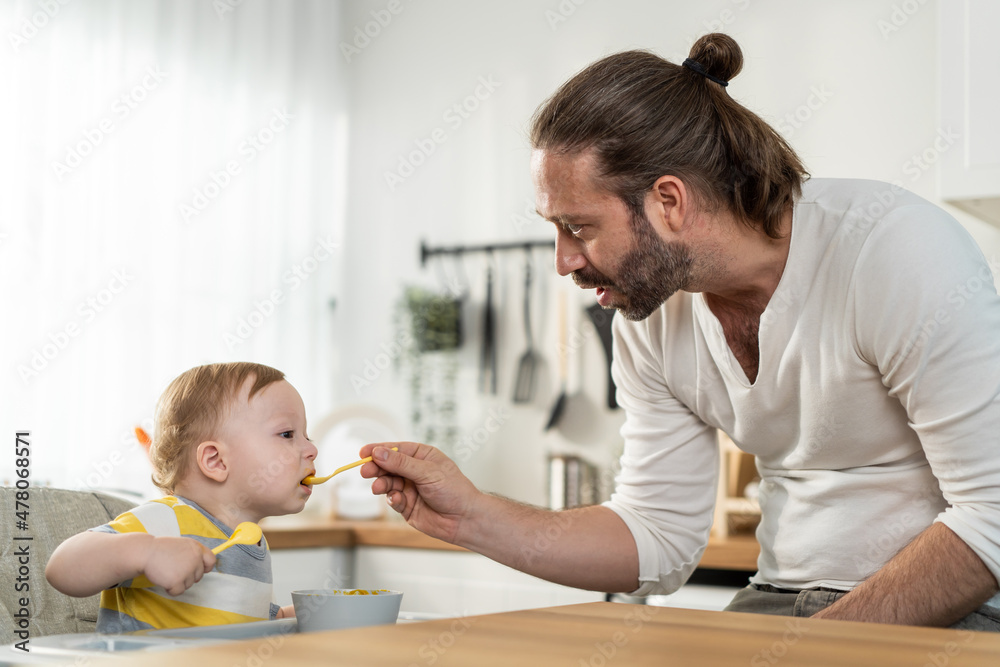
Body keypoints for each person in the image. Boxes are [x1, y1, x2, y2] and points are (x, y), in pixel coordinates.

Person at [359, 33, 1000, 630]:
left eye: (578, 227)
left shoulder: (892, 250)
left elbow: (992, 518)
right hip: (777, 601)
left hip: (949, 609)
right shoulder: (651, 310)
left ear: (669, 201)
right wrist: (471, 517)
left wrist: (810, 651)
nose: (564, 261)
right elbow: (656, 533)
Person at [46, 362, 318, 632]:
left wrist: (294, 617)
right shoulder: (168, 521)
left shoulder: (252, 541)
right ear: (216, 460)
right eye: (287, 434)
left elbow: (243, 627)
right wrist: (147, 553)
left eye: (306, 436)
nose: (311, 449)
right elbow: (62, 567)